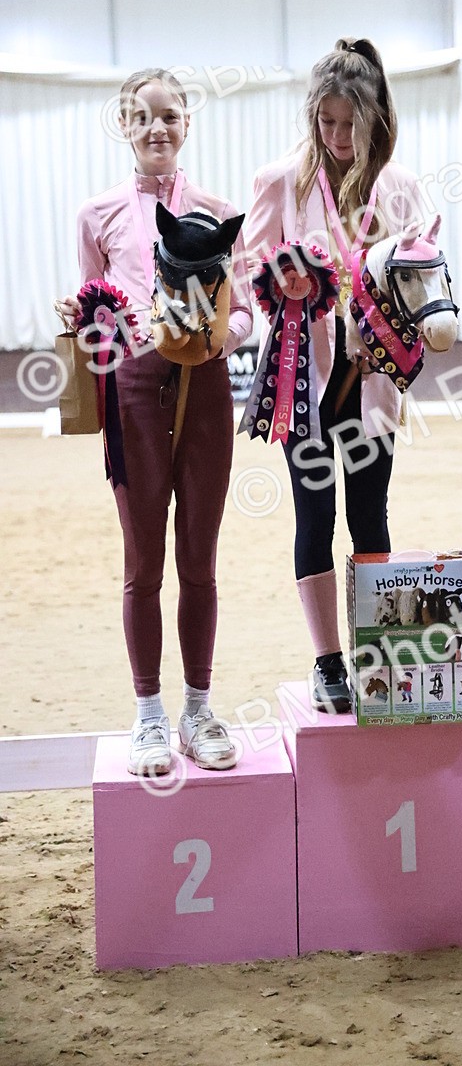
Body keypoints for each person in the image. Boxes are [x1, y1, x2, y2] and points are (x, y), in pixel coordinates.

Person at [56, 68, 252, 776]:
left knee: (198, 561)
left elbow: (245, 312)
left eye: (169, 115)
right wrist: (86, 324)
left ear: (187, 122)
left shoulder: (220, 209)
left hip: (203, 387)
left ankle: (199, 709)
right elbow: (90, 312)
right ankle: (148, 715)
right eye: (142, 117)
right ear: (124, 125)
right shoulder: (96, 214)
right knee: (143, 563)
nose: (157, 128)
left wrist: (210, 337)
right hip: (132, 391)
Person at [246, 38, 426, 713]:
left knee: (369, 513)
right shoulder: (280, 181)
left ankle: (376, 652)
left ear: (375, 117)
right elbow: (250, 269)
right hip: (307, 374)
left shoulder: (399, 185)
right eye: (326, 122)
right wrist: (284, 279)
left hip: (371, 376)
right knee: (313, 513)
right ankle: (328, 662)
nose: (338, 135)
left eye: (350, 123)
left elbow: (417, 276)